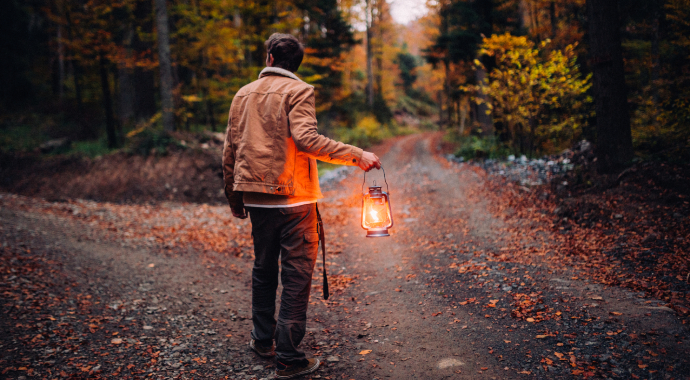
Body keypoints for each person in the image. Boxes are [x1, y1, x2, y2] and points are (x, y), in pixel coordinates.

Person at [222, 33, 381, 379]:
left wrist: (235, 197)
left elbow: (231, 149)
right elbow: (307, 140)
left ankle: (263, 341)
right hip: (296, 200)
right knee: (296, 277)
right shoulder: (300, 90)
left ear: (269, 58)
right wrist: (358, 155)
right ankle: (289, 358)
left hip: (256, 198)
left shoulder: (242, 94)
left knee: (263, 269)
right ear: (296, 64)